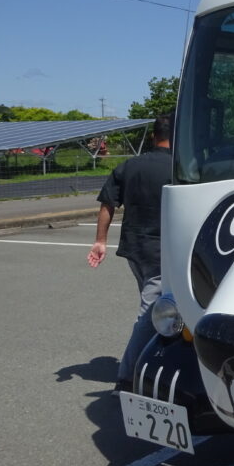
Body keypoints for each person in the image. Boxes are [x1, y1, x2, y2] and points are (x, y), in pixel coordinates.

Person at [87, 115, 173, 389]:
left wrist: (100, 241)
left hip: (136, 249)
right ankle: (126, 379)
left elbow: (107, 204)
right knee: (150, 313)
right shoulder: (182, 167)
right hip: (165, 250)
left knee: (162, 309)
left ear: (152, 136)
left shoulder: (130, 165)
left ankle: (156, 365)